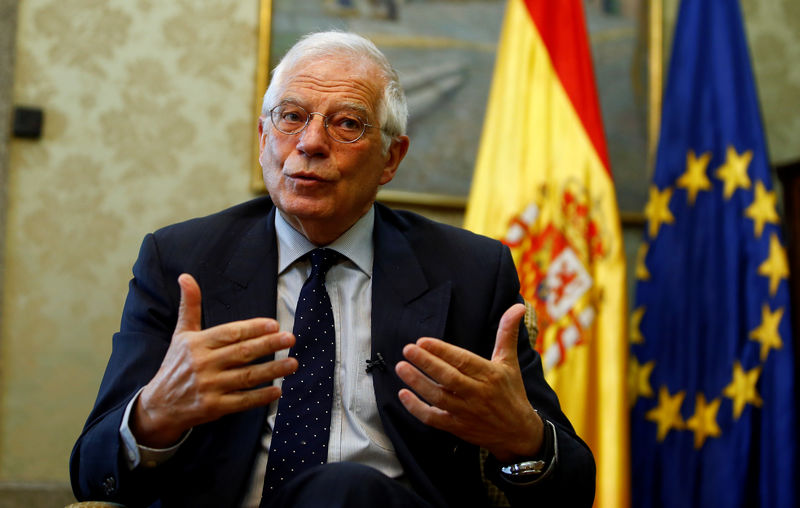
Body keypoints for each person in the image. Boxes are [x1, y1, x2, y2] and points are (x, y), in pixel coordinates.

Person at [70, 31, 595, 507]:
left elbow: (573, 488)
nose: (311, 142)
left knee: (345, 490)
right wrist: (153, 415)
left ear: (391, 159)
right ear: (262, 139)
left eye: (346, 123)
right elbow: (92, 474)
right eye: (291, 117)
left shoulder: (471, 271)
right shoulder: (182, 262)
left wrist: (522, 437)